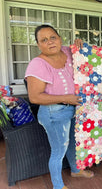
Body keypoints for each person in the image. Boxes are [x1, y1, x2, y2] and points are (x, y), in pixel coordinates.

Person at [25, 24, 94, 189]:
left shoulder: (68, 51)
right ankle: (58, 185)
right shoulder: (37, 64)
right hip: (53, 113)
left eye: (52, 37)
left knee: (72, 143)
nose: (50, 42)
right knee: (58, 150)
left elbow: (92, 58)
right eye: (44, 40)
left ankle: (76, 170)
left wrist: (83, 46)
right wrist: (67, 98)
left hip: (73, 108)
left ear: (60, 38)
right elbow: (34, 97)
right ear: (38, 44)